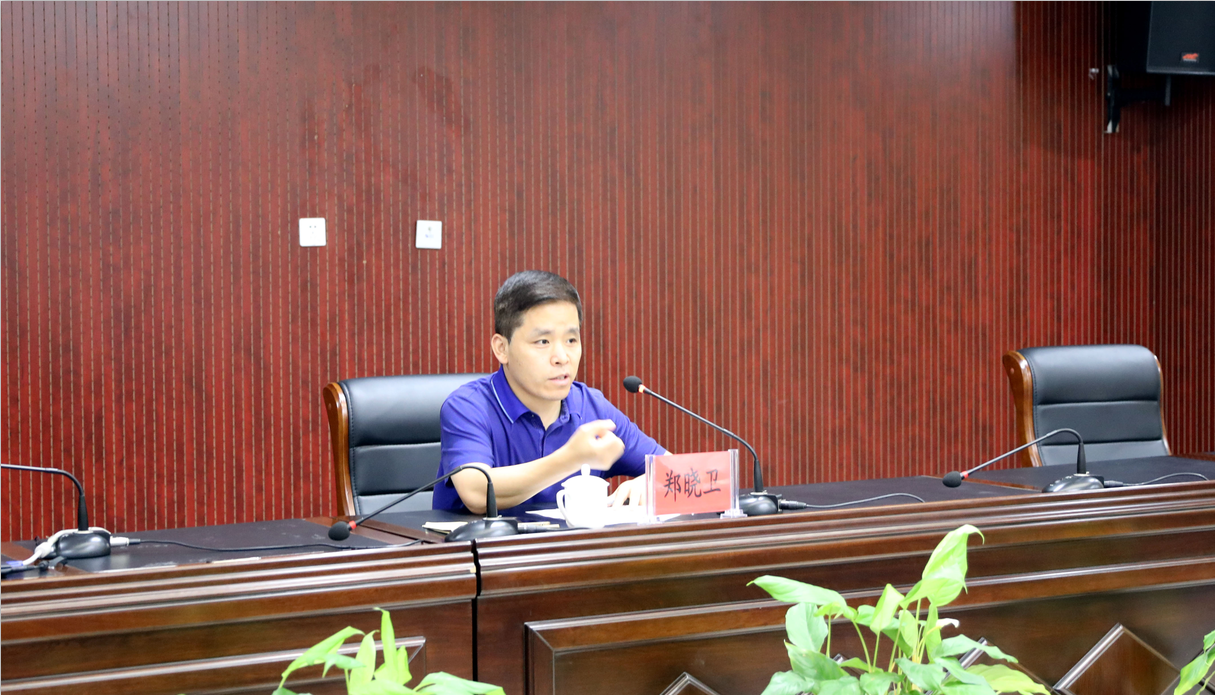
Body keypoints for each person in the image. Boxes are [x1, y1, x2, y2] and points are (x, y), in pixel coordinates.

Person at [432, 270, 665, 514]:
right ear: (502, 348)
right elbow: (476, 491)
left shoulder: (591, 407)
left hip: (570, 541)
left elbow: (681, 472)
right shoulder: (468, 406)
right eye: (543, 342)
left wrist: (651, 482)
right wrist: (571, 459)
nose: (562, 357)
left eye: (571, 340)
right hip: (479, 540)